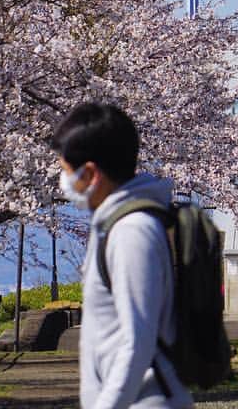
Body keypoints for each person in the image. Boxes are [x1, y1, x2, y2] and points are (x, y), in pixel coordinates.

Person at [51, 102, 193, 408]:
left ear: (90, 173)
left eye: (66, 172)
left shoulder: (132, 231)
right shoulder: (117, 225)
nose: (63, 184)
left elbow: (136, 341)